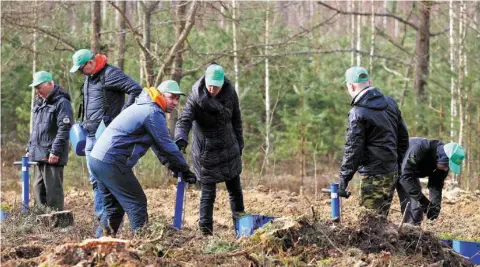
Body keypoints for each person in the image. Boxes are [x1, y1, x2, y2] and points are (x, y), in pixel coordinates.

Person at [89, 80, 196, 237]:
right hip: (111, 162)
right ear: (160, 94)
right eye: (171, 97)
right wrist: (185, 169)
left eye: (177, 99)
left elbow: (157, 145)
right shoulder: (153, 112)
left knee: (113, 208)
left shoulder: (145, 106)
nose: (174, 103)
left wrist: (175, 167)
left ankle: (98, 248)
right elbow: (167, 146)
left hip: (97, 159)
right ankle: (142, 247)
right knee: (137, 203)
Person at [69, 49, 142, 227]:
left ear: (91, 63)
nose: (80, 72)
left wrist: (121, 117)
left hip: (105, 136)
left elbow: (136, 89)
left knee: (107, 179)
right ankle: (102, 221)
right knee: (95, 180)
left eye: (81, 68)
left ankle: (110, 220)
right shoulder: (89, 78)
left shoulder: (110, 74)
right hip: (89, 136)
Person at [175, 64, 245, 235]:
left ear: (223, 83)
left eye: (216, 85)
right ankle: (206, 235)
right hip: (206, 153)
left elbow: (236, 119)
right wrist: (180, 140)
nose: (213, 89)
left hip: (229, 149)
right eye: (210, 84)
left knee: (235, 192)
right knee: (208, 195)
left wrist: (239, 143)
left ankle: (242, 230)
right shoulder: (195, 97)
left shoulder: (230, 94)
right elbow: (184, 121)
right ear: (205, 81)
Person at [338, 66, 409, 216]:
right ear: (369, 81)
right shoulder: (390, 103)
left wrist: (344, 178)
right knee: (380, 221)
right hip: (391, 171)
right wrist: (397, 164)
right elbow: (403, 137)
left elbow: (353, 149)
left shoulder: (357, 112)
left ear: (351, 86)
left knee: (370, 227)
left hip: (373, 175)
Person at [26, 71, 74, 211]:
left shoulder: (62, 103)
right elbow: (35, 128)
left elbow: (64, 128)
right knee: (38, 189)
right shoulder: (39, 103)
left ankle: (57, 224)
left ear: (49, 84)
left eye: (39, 87)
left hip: (52, 154)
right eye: (35, 87)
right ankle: (41, 222)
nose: (37, 90)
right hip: (38, 152)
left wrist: (55, 150)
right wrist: (30, 148)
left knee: (53, 191)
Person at [397, 138, 465, 225]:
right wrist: (423, 201)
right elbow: (405, 177)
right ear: (441, 157)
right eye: (447, 165)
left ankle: (412, 232)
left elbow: (436, 185)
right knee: (390, 200)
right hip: (393, 166)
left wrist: (435, 207)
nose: (446, 169)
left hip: (410, 173)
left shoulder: (442, 166)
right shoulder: (420, 148)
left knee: (416, 211)